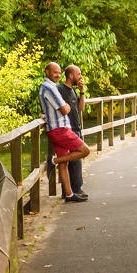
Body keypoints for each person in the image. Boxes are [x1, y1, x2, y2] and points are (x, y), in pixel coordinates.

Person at [38, 62, 90, 202]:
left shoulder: (53, 87)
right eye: (55, 72)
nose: (58, 75)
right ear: (47, 72)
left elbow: (77, 108)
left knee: (64, 163)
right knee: (85, 151)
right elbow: (65, 109)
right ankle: (53, 160)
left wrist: (80, 92)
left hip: (61, 128)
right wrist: (65, 106)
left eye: (59, 72)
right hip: (60, 129)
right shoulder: (50, 87)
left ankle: (69, 194)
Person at [59, 64, 88, 199]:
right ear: (71, 76)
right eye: (78, 74)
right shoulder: (60, 90)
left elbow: (80, 108)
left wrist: (82, 92)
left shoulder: (73, 91)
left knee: (76, 160)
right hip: (67, 129)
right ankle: (72, 190)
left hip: (77, 128)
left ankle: (75, 189)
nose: (80, 76)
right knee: (70, 161)